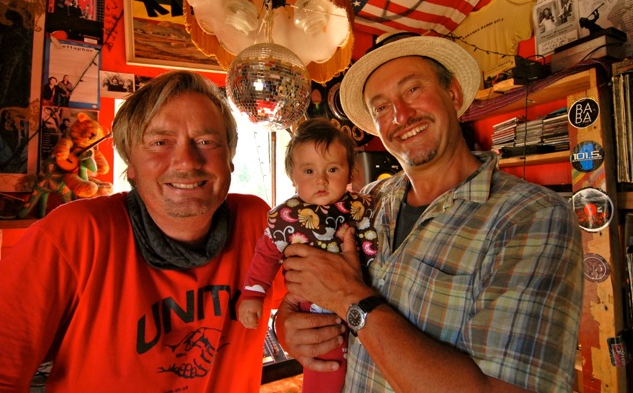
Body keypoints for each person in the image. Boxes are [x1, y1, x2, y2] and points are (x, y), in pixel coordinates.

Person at [276, 34, 583, 392]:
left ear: (453, 94)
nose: (400, 116)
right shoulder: (367, 202)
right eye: (381, 108)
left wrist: (349, 298)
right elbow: (310, 289)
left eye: (412, 90)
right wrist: (287, 327)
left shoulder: (532, 218)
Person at [0, 71, 283, 392]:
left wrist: (293, 326)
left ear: (229, 159)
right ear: (130, 166)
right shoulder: (74, 234)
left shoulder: (256, 222)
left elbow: (300, 303)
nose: (186, 161)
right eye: (160, 143)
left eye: (206, 141)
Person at [238, 117, 378, 393]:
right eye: (309, 171)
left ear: (350, 173)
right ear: (294, 176)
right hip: (315, 309)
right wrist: (253, 295)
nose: (321, 179)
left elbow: (375, 244)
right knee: (326, 368)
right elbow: (265, 256)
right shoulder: (286, 217)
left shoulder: (363, 206)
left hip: (365, 302)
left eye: (333, 169)